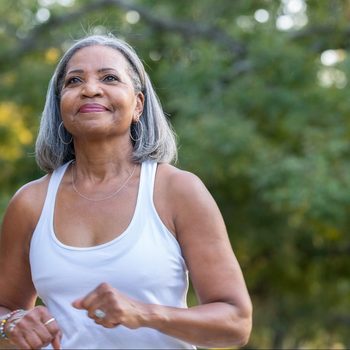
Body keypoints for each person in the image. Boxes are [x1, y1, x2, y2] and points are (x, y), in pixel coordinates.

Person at [0, 34, 252, 349]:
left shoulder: (176, 190)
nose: (90, 89)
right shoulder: (31, 202)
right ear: (60, 108)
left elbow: (236, 323)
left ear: (138, 104)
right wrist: (9, 325)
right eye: (74, 81)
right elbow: (5, 309)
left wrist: (145, 313)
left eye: (109, 78)